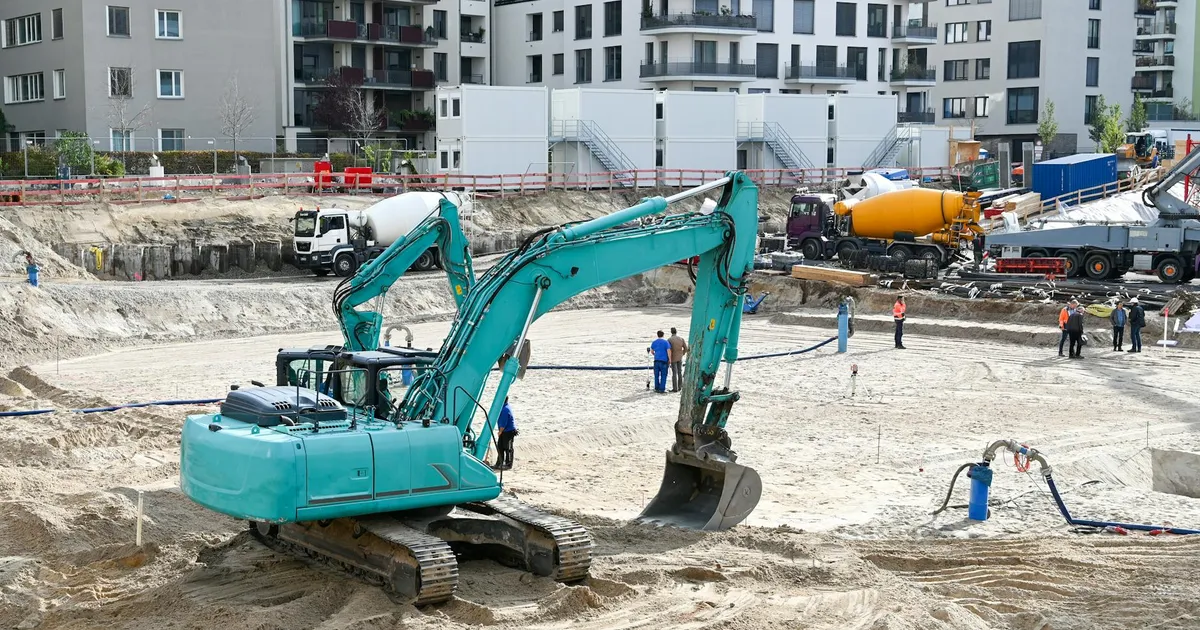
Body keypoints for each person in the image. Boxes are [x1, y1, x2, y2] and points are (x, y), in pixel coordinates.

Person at [494, 397, 518, 470]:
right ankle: (499, 463)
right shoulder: (503, 407)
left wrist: (500, 431)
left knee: (508, 448)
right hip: (504, 431)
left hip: (508, 431)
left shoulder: (505, 409)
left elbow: (504, 422)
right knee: (500, 447)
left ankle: (508, 464)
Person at [667, 327, 688, 393]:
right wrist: (682, 354)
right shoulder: (681, 339)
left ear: (671, 332)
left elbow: (668, 350)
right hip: (680, 357)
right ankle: (680, 387)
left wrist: (668, 358)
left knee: (674, 373)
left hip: (673, 358)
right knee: (680, 372)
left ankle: (675, 388)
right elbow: (686, 348)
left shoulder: (669, 340)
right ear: (676, 332)